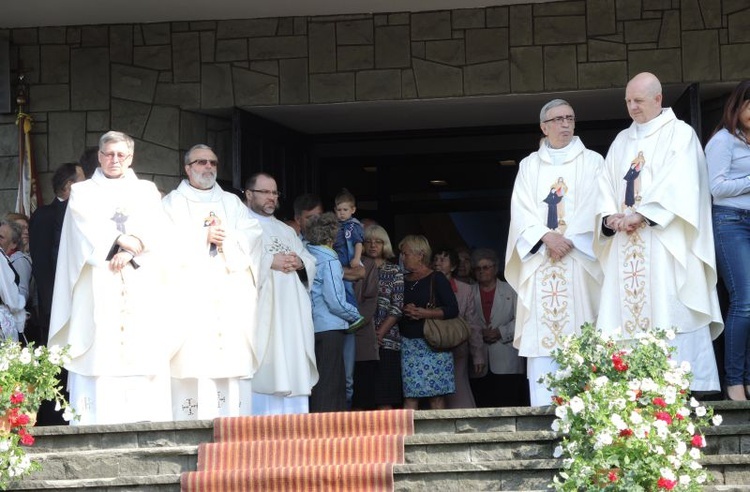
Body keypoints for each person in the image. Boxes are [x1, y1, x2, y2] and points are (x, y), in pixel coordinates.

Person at [595, 72, 723, 394]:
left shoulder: (680, 134)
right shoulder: (622, 141)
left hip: (664, 244)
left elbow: (681, 183)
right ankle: (630, 386)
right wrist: (609, 215)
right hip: (626, 246)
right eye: (627, 101)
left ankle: (680, 385)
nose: (632, 108)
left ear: (658, 99)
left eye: (638, 101)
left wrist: (644, 214)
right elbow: (605, 184)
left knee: (669, 309)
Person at [49, 130, 174, 425]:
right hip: (100, 280)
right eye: (108, 154)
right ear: (100, 157)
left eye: (120, 154)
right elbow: (84, 230)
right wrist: (120, 240)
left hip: (139, 278)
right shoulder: (83, 192)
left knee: (141, 345)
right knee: (101, 351)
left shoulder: (147, 190)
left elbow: (159, 230)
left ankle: (145, 419)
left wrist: (131, 251)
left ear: (130, 158)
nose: (114, 159)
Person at [505, 99, 604, 406]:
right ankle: (542, 415)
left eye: (570, 118)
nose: (565, 124)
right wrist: (546, 236)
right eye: (558, 119)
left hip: (577, 261)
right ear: (544, 127)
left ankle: (586, 418)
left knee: (583, 338)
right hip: (541, 261)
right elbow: (520, 210)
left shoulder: (593, 161)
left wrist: (569, 238)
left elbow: (597, 204)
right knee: (542, 341)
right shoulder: (529, 165)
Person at [162, 144, 263, 419]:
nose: (208, 167)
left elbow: (252, 235)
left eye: (213, 163)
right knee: (193, 364)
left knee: (229, 365)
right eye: (201, 162)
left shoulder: (231, 203)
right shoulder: (172, 203)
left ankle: (234, 425)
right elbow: (162, 244)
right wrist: (201, 239)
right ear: (187, 168)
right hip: (191, 297)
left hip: (228, 294)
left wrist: (226, 240)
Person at [244, 172, 318, 415]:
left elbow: (309, 259)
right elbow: (236, 261)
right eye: (265, 192)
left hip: (291, 317)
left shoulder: (286, 230)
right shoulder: (240, 224)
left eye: (274, 193)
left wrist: (299, 262)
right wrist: (269, 262)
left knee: (292, 365)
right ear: (249, 194)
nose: (271, 198)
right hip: (262, 312)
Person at [704, 80, 750, 400]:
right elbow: (716, 187)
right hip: (731, 222)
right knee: (744, 302)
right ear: (739, 106)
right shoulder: (723, 141)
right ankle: (734, 381)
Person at [305, 212, 363, 412]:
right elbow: (335, 300)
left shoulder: (307, 253)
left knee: (319, 378)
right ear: (331, 236)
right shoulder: (329, 259)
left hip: (312, 325)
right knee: (331, 381)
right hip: (329, 326)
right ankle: (329, 429)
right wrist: (355, 315)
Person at [399, 234, 458, 410]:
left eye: (406, 254)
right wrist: (405, 309)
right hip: (408, 344)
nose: (402, 257)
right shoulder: (401, 279)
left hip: (433, 344)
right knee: (410, 395)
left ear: (420, 255)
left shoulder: (437, 278)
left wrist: (425, 313)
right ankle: (408, 437)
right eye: (402, 254)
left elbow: (452, 309)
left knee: (436, 396)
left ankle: (440, 437)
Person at [29, 162, 85, 344]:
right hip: (56, 301)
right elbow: (41, 263)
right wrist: (51, 304)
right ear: (70, 185)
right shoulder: (45, 215)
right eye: (83, 181)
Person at [352, 225, 404, 410]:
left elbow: (397, 307)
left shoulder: (394, 271)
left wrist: (379, 333)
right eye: (368, 241)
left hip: (387, 340)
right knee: (362, 395)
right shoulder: (356, 268)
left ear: (385, 245)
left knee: (385, 395)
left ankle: (388, 438)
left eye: (378, 242)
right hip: (360, 337)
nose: (373, 245)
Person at [469, 248, 527, 407]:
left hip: (507, 360)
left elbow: (523, 320)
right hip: (479, 361)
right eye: (478, 268)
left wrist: (500, 332)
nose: (482, 271)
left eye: (486, 267)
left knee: (508, 403)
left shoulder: (511, 289)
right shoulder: (469, 291)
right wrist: (480, 333)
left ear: (495, 268)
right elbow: (465, 320)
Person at [432, 247, 485, 409]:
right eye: (435, 259)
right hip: (432, 345)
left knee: (458, 391)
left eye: (443, 259)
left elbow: (473, 325)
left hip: (458, 348)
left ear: (453, 266)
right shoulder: (427, 284)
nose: (438, 263)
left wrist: (478, 355)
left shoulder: (465, 289)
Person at [333, 188, 364, 306]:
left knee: (348, 287)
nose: (342, 213)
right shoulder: (335, 225)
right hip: (338, 260)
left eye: (345, 210)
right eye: (339, 210)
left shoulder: (353, 226)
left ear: (353, 210)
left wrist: (356, 258)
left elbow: (358, 243)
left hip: (349, 260)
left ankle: (353, 312)